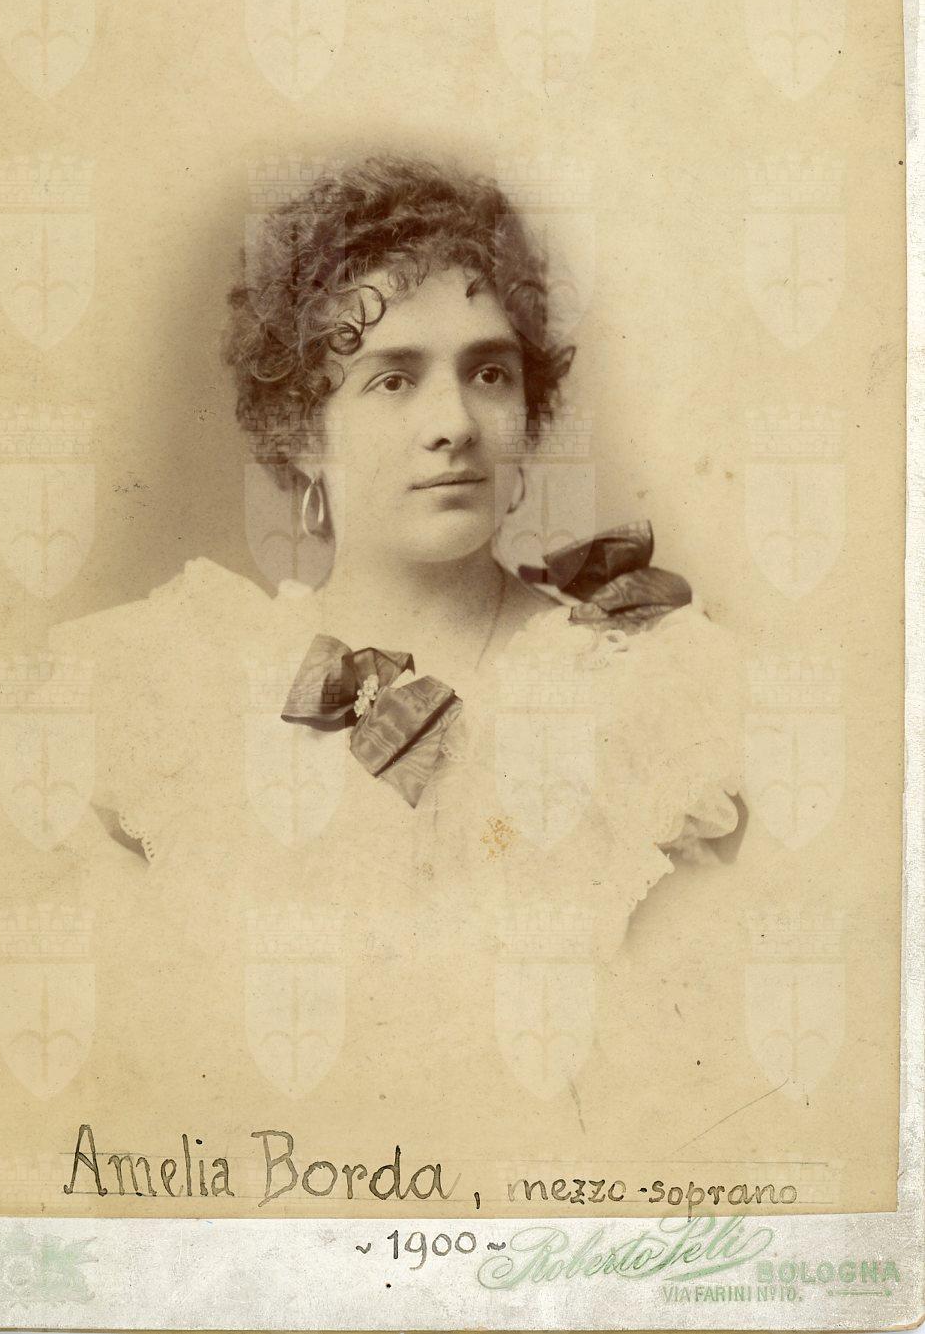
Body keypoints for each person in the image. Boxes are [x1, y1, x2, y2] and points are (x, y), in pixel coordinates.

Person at [49, 154, 746, 1134]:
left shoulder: (644, 683)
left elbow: (690, 1065)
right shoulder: (184, 686)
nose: (453, 424)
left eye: (489, 372)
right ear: (302, 430)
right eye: (392, 379)